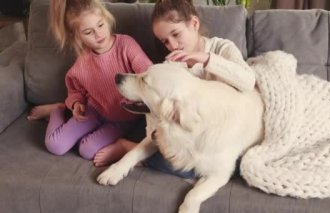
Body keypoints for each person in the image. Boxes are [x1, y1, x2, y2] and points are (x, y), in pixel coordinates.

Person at [96, 0, 256, 178]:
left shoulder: (221, 48)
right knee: (181, 163)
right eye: (165, 41)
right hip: (183, 137)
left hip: (220, 130)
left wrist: (205, 59)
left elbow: (248, 82)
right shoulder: (171, 66)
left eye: (176, 34)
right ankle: (130, 149)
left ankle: (132, 148)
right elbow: (156, 118)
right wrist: (154, 139)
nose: (172, 45)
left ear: (194, 24)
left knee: (232, 166)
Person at [27, 0, 152, 166]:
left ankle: (67, 118)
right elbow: (75, 88)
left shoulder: (126, 45)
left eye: (100, 25)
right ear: (76, 36)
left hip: (122, 119)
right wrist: (76, 103)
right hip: (92, 110)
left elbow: (148, 73)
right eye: (88, 32)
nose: (98, 34)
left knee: (87, 151)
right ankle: (58, 110)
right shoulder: (83, 60)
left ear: (107, 19)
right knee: (55, 145)